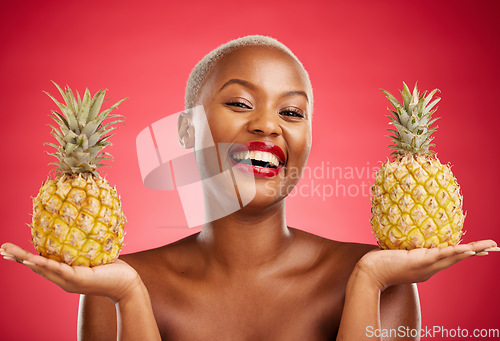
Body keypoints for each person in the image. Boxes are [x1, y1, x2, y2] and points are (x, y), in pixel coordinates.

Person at [1, 35, 498, 341]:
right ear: (187, 130)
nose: (268, 126)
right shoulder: (114, 286)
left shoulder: (382, 282)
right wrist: (131, 298)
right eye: (240, 104)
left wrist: (367, 282)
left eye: (292, 111)